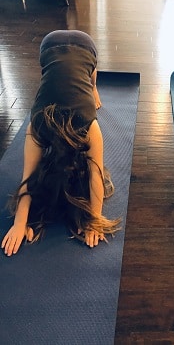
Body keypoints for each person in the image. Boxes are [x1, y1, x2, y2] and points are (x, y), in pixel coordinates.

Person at [1, 30, 121, 257]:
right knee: (53, 72)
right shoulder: (37, 126)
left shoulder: (89, 127)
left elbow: (95, 175)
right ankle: (71, 78)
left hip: (83, 46)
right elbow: (28, 178)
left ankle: (92, 86)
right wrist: (19, 223)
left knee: (89, 75)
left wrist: (94, 219)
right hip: (50, 47)